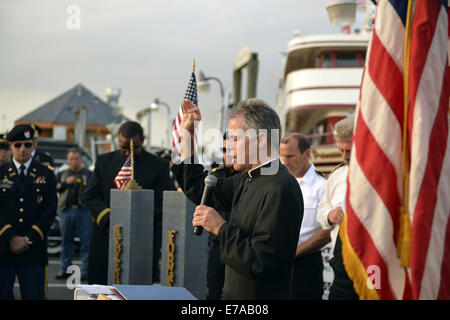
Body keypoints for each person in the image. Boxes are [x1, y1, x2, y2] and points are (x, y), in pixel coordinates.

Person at [172, 98, 303, 300]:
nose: (229, 148)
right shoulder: (246, 178)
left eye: (234, 139)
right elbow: (198, 188)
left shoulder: (281, 188)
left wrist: (219, 227)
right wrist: (189, 134)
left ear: (260, 140)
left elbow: (262, 260)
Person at [84, 120, 176, 285]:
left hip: (142, 240)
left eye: (133, 148)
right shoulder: (103, 161)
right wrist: (109, 218)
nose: (128, 153)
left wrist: (137, 218)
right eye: (123, 148)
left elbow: (165, 202)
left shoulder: (158, 166)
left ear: (143, 139)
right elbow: (91, 195)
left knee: (136, 287)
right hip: (106, 235)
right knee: (101, 286)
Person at [0, 124, 57, 299]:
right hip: (3, 250)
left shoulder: (46, 174)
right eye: (18, 145)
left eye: (27, 144)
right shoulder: (1, 173)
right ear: (10, 145)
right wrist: (10, 237)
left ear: (33, 145)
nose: (23, 149)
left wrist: (28, 238)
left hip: (33, 250)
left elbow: (50, 209)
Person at [280, 133, 330, 300]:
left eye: (291, 156)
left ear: (307, 154)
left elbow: (328, 231)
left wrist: (296, 251)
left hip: (306, 265)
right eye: (283, 156)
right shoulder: (279, 185)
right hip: (276, 262)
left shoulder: (322, 187)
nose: (285, 162)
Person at [316, 115, 358, 300]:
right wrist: (330, 215)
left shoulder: (380, 175)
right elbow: (321, 211)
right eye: (341, 150)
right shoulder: (337, 176)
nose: (345, 156)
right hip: (340, 263)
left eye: (349, 150)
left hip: (370, 263)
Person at [206, 133, 238, 300]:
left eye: (232, 149)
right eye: (225, 150)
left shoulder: (252, 179)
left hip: (241, 247)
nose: (228, 154)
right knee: (214, 294)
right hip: (218, 247)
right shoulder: (215, 176)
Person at [55, 148, 93, 281]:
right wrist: (66, 182)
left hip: (85, 211)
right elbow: (56, 187)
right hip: (66, 211)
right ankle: (65, 269)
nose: (74, 162)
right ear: (68, 160)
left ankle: (86, 270)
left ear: (81, 160)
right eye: (71, 159)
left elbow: (93, 192)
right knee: (66, 242)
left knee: (86, 243)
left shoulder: (89, 174)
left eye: (76, 159)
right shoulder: (63, 173)